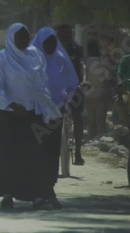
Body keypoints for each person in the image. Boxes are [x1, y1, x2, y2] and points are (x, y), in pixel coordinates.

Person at [0, 23, 62, 210]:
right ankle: (8, 193)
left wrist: (48, 109)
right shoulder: (2, 58)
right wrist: (12, 105)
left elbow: (42, 84)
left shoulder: (36, 55)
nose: (23, 40)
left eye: (26, 36)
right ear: (11, 37)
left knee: (33, 155)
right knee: (8, 156)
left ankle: (36, 195)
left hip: (32, 114)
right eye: (19, 37)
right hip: (9, 115)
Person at [32, 27, 79, 209]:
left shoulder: (61, 60)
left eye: (53, 42)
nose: (50, 46)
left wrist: (66, 104)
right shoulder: (33, 60)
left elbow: (72, 85)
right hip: (36, 114)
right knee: (37, 153)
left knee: (52, 153)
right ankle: (36, 191)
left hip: (56, 114)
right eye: (47, 42)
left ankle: (49, 188)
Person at [56, 24, 87, 165]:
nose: (66, 39)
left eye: (68, 35)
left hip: (75, 86)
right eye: (63, 36)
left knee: (77, 116)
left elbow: (82, 65)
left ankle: (78, 152)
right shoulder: (52, 48)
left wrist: (85, 80)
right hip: (57, 87)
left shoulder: (77, 49)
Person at [86, 36, 116, 139]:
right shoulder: (103, 61)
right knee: (100, 120)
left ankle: (90, 140)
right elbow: (109, 78)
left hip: (88, 95)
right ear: (98, 50)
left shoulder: (85, 62)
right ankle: (99, 141)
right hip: (101, 95)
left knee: (91, 120)